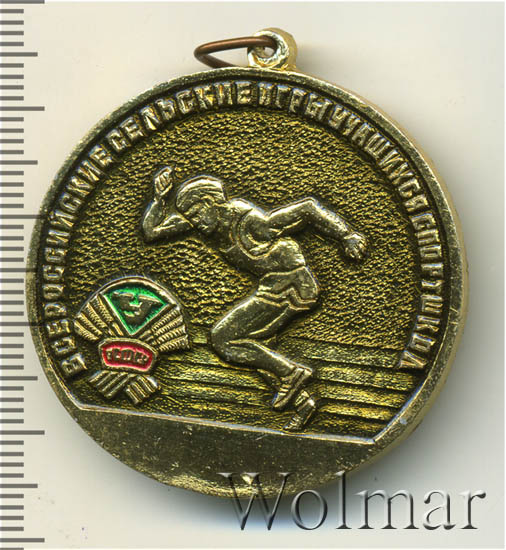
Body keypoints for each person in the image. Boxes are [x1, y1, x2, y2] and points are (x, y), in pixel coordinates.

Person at [142, 166, 367, 426]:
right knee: (254, 348)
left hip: (291, 286)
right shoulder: (208, 223)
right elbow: (152, 232)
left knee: (223, 338)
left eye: (196, 213)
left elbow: (307, 208)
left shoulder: (251, 223)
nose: (195, 222)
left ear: (211, 203)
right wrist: (159, 199)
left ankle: (292, 373)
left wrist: (347, 235)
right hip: (275, 288)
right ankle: (303, 402)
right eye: (190, 217)